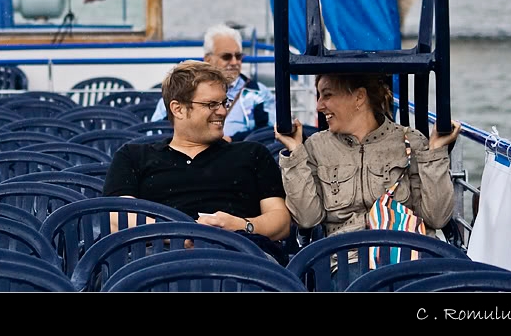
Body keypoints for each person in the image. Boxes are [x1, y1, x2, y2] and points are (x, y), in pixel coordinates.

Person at [104, 60, 292, 263]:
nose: (222, 111)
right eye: (211, 104)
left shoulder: (252, 153)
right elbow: (117, 218)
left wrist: (241, 224)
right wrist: (178, 233)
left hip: (240, 255)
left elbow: (280, 221)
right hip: (157, 259)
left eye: (224, 103)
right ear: (178, 109)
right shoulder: (134, 156)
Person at [276, 73, 461, 241]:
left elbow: (436, 217)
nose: (319, 105)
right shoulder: (316, 147)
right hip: (346, 256)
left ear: (359, 97)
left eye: (327, 95)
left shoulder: (411, 141)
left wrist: (435, 151)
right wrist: (295, 154)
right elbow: (307, 219)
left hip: (406, 252)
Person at [149, 23, 276, 141]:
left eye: (238, 56)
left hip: (240, 156)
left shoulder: (258, 91)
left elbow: (270, 131)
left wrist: (232, 141)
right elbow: (156, 130)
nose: (234, 62)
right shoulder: (182, 90)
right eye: (226, 57)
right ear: (208, 59)